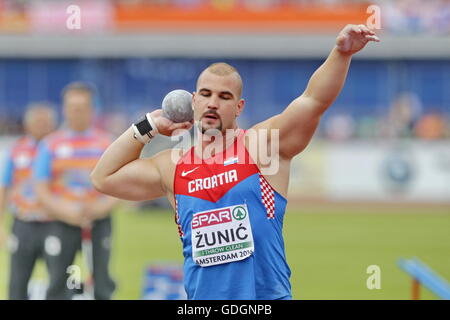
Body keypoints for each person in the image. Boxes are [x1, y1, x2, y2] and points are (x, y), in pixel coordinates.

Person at [91, 24, 380, 300]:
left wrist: (341, 54)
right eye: (205, 94)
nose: (213, 103)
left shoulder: (261, 146)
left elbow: (313, 101)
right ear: (193, 102)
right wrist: (149, 124)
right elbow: (104, 177)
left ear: (239, 107)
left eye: (224, 96)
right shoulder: (173, 166)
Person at [34, 82, 118, 300]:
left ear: (92, 109)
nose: (77, 112)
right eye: (72, 107)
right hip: (61, 222)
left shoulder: (106, 143)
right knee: (58, 283)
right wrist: (64, 211)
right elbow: (41, 188)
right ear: (64, 108)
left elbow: (118, 186)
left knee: (101, 282)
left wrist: (100, 208)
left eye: (82, 107)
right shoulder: (50, 144)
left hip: (98, 222)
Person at [0, 103, 56, 299]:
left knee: (61, 277)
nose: (42, 126)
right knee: (17, 280)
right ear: (28, 125)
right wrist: (0, 225)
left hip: (54, 222)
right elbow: (4, 187)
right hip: (23, 223)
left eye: (46, 122)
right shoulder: (17, 150)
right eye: (38, 122)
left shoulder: (60, 148)